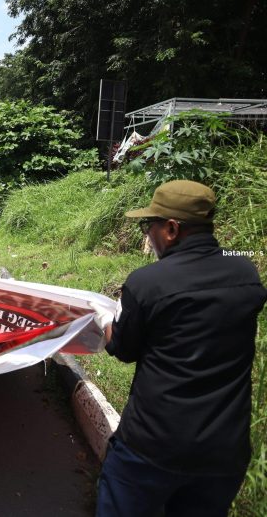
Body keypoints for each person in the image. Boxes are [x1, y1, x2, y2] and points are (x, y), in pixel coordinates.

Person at [91, 180, 266, 517]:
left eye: (149, 225)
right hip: (223, 451)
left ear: (171, 229)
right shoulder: (246, 272)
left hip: (151, 448)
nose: (148, 235)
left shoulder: (147, 283)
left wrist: (105, 320)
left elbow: (123, 348)